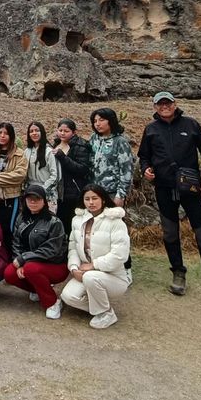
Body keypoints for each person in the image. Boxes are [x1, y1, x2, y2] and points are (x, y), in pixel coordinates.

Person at [137, 91, 201, 308]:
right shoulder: (151, 129)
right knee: (169, 233)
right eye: (161, 104)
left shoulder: (191, 124)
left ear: (175, 104)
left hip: (191, 187)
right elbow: (144, 156)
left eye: (168, 103)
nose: (165, 106)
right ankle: (178, 273)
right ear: (155, 107)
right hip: (164, 188)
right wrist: (146, 170)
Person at [60, 184, 131, 328]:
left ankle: (106, 313)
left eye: (95, 198)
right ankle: (102, 307)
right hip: (86, 272)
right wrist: (74, 268)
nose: (91, 202)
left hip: (114, 276)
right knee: (68, 296)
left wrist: (93, 265)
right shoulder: (77, 220)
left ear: (103, 199)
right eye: (87, 199)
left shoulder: (115, 221)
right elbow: (73, 247)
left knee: (90, 277)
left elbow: (120, 255)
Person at [3, 184, 68, 318]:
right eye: (29, 199)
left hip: (55, 264)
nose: (32, 202)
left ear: (44, 201)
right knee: (9, 273)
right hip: (28, 263)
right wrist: (19, 261)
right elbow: (16, 241)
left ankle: (53, 302)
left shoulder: (54, 222)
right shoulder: (21, 217)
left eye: (37, 199)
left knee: (31, 269)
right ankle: (38, 289)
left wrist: (24, 259)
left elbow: (51, 250)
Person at [90, 107, 135, 280]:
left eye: (101, 120)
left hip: (112, 193)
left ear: (111, 121)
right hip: (95, 193)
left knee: (117, 233)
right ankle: (101, 266)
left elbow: (126, 170)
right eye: (95, 121)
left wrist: (120, 194)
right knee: (98, 233)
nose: (98, 124)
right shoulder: (94, 139)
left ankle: (126, 269)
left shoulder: (120, 141)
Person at [52, 119, 92, 235]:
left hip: (74, 191)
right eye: (60, 130)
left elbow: (82, 169)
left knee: (73, 225)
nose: (62, 133)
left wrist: (63, 157)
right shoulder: (56, 144)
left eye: (66, 131)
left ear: (73, 132)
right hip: (60, 191)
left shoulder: (81, 145)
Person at [24, 121, 60, 214]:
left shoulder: (50, 152)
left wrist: (42, 190)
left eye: (37, 130)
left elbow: (55, 176)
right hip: (30, 192)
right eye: (31, 131)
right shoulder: (26, 152)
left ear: (42, 132)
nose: (34, 133)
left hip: (47, 193)